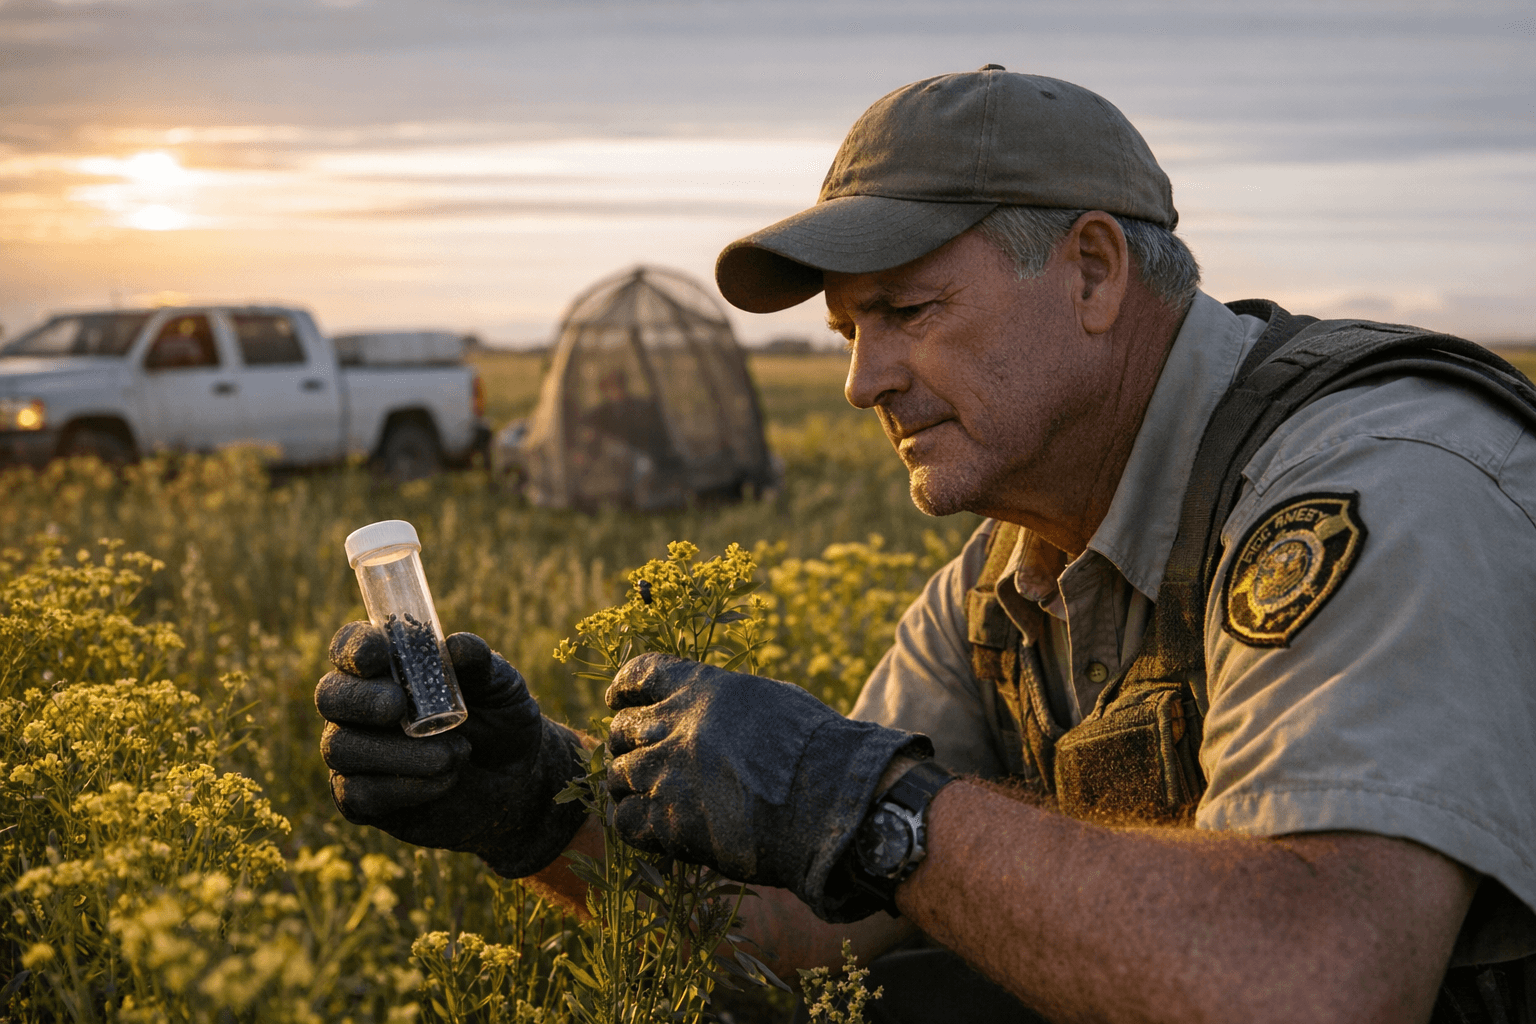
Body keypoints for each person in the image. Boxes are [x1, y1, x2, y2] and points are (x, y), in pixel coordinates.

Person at [315, 68, 1536, 1023]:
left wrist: (879, 806)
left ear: (1096, 271)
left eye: (908, 312)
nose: (860, 381)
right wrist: (541, 803)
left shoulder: (1373, 480)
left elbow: (1319, 987)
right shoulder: (1006, 584)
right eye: (849, 330)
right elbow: (801, 936)